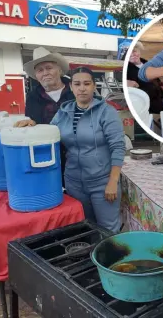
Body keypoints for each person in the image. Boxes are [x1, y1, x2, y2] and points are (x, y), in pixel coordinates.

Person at [16, 67, 126, 233]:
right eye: (77, 84)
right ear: (71, 87)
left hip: (101, 181)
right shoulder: (64, 112)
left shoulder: (106, 112)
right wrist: (33, 125)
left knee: (108, 229)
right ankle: (92, 258)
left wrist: (112, 182)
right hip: (74, 182)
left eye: (87, 83)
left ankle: (111, 259)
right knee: (86, 227)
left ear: (93, 86)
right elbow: (50, 133)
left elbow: (118, 147)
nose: (82, 88)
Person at [23, 47, 75, 186]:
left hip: (77, 154)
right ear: (36, 75)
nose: (45, 73)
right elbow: (32, 123)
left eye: (49, 68)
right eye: (40, 70)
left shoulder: (75, 90)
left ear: (59, 69)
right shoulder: (33, 97)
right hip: (47, 154)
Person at [126, 42, 163, 114]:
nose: (132, 54)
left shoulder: (147, 63)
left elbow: (156, 78)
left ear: (139, 51)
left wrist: (162, 86)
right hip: (147, 104)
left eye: (134, 51)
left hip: (161, 97)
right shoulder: (127, 70)